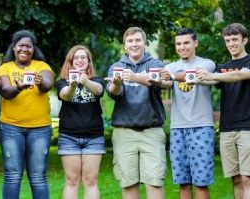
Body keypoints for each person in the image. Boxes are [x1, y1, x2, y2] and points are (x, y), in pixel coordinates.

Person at [197, 23, 250, 199]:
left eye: (235, 39)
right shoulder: (223, 67)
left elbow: (239, 75)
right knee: (235, 179)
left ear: (245, 40)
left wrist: (211, 75)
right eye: (227, 40)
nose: (231, 43)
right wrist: (194, 78)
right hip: (227, 128)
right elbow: (210, 81)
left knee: (247, 178)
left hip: (248, 128)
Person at [105, 27, 171, 199]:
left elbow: (163, 83)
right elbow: (114, 93)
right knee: (128, 184)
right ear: (125, 45)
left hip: (152, 131)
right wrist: (117, 83)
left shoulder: (155, 64)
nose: (134, 44)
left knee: (155, 182)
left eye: (138, 40)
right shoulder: (116, 66)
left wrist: (134, 77)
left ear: (144, 43)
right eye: (130, 41)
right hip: (124, 133)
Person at [0, 30, 54, 199]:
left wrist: (40, 80)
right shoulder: (5, 68)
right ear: (14, 48)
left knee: (38, 176)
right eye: (20, 45)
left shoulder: (42, 66)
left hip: (40, 128)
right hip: (11, 127)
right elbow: (6, 91)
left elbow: (48, 85)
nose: (24, 49)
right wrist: (20, 87)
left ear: (33, 49)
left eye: (28, 46)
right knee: (13, 175)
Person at [164, 28, 216, 199]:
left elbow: (191, 75)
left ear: (195, 43)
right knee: (183, 183)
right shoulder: (171, 66)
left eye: (186, 43)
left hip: (201, 127)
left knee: (201, 183)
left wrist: (170, 76)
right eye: (178, 44)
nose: (182, 47)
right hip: (178, 129)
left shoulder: (207, 64)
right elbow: (162, 82)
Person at [56, 45, 106, 199]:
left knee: (90, 180)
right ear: (70, 62)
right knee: (72, 180)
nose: (79, 60)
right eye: (76, 57)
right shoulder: (62, 81)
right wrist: (73, 84)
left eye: (83, 57)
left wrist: (84, 81)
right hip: (69, 136)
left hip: (94, 137)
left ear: (88, 61)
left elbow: (98, 90)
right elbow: (65, 95)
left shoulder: (97, 80)